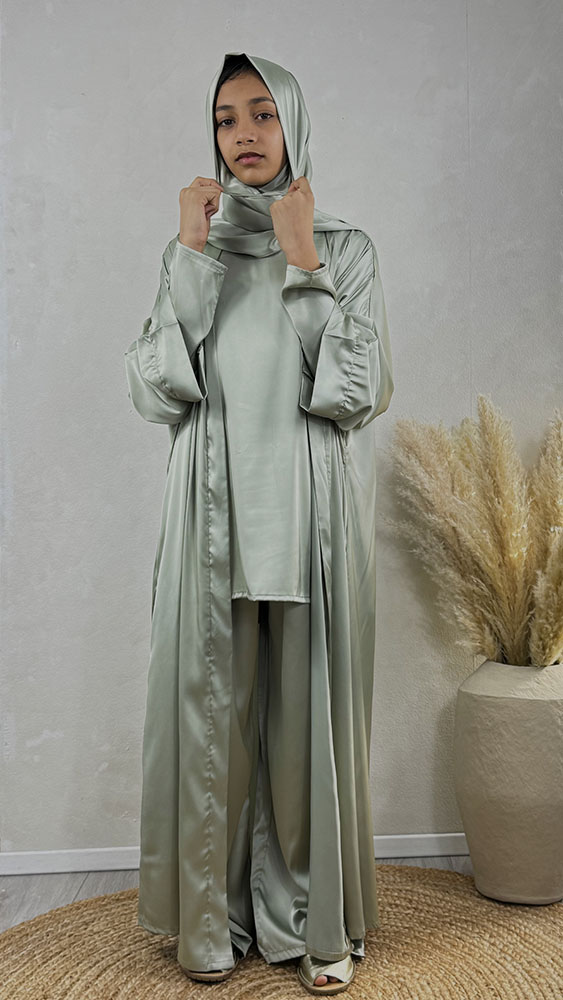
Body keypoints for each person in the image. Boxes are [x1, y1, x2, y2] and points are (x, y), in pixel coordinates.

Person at [124, 51, 394, 995]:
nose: (242, 134)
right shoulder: (192, 250)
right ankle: (213, 918)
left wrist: (302, 257)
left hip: (309, 518)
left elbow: (355, 392)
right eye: (225, 118)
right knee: (214, 723)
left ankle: (311, 922)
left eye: (262, 114)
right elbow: (157, 389)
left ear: (294, 123)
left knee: (305, 728)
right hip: (213, 513)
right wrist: (190, 254)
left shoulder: (343, 248)